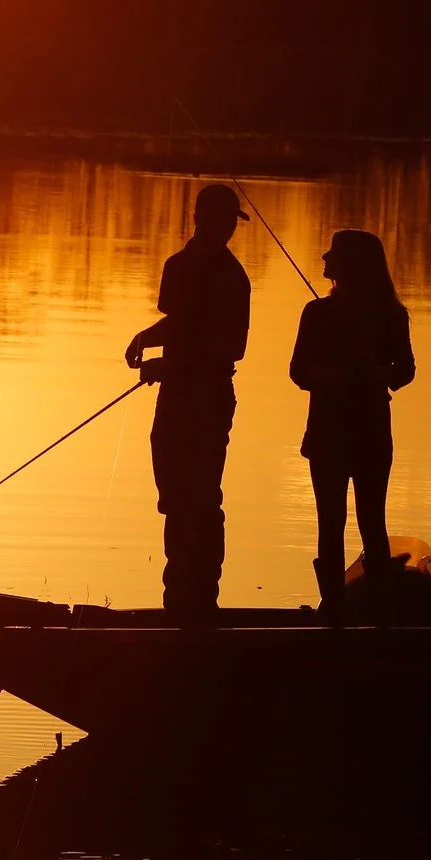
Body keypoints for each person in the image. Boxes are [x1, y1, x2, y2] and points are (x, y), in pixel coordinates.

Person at [125, 183, 252, 617]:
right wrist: (148, 337)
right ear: (201, 218)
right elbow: (177, 322)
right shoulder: (176, 266)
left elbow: (231, 349)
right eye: (224, 220)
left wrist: (169, 366)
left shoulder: (235, 278)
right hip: (175, 397)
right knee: (173, 497)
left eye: (232, 223)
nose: (229, 231)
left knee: (202, 498)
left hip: (210, 396)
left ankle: (202, 598)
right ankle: (177, 597)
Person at [288, 230, 415, 612]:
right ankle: (335, 608)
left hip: (368, 434)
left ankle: (374, 609)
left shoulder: (391, 316)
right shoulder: (316, 313)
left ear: (352, 264)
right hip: (330, 433)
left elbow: (405, 370)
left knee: (370, 521)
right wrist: (336, 377)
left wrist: (379, 374)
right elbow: (298, 372)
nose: (324, 259)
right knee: (332, 523)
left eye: (333, 255)